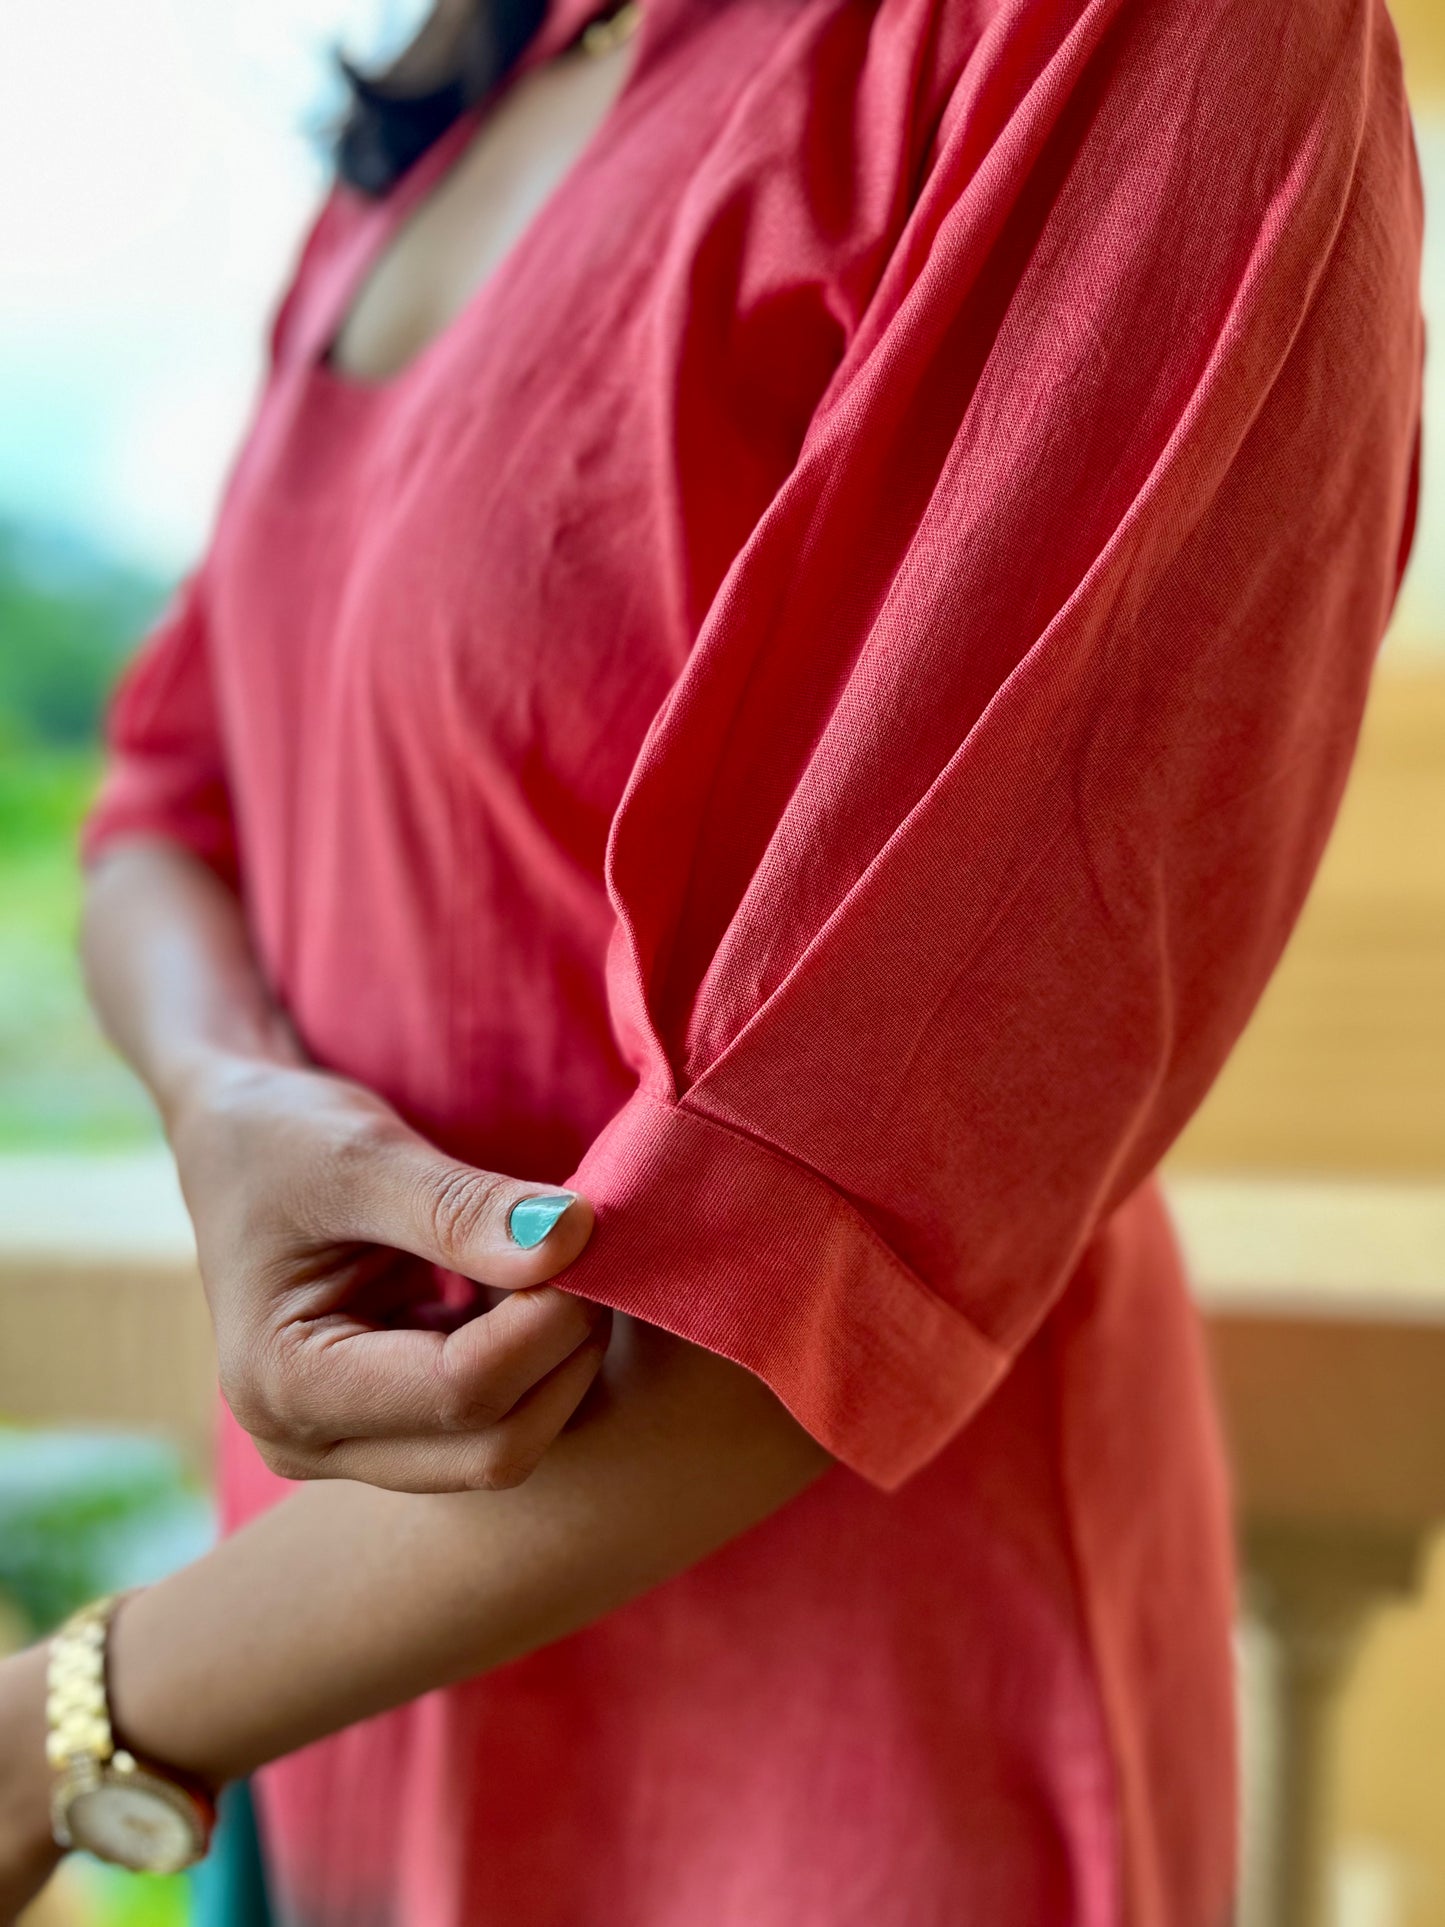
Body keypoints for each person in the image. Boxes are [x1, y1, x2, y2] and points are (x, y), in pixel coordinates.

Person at [0, 0, 1425, 1918]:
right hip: (321, 1669)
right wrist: (232, 1100)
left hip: (829, 1746)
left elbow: (844, 1194)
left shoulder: (1127, 36)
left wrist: (76, 1724)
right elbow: (167, 802)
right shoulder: (465, 99)